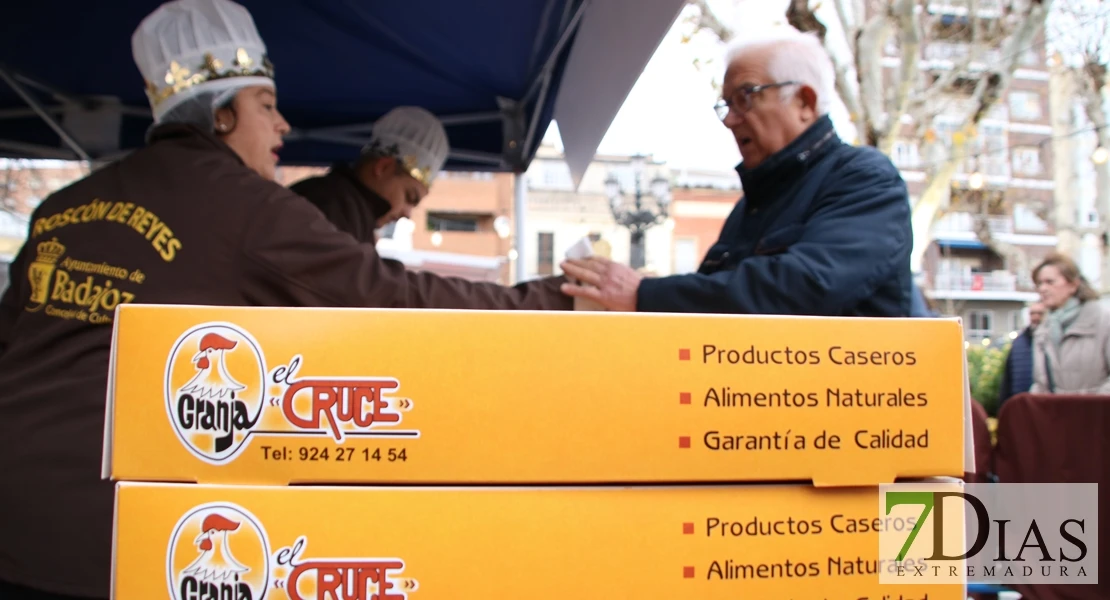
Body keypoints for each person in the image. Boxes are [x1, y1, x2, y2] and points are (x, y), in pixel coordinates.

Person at [0, 1, 568, 598]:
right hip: (107, 534)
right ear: (221, 117)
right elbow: (394, 298)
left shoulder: (63, 208)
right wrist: (554, 298)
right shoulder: (247, 208)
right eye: (266, 107)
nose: (283, 128)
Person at [560, 29, 913, 317]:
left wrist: (645, 294)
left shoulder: (864, 178)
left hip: (843, 399)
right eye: (726, 105)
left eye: (746, 97)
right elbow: (715, 302)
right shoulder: (751, 205)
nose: (730, 120)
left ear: (804, 101)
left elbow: (805, 287)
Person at [290, 105, 446, 242]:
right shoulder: (333, 208)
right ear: (383, 167)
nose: (408, 214)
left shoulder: (351, 212)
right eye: (409, 197)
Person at [1029, 253, 1110, 395]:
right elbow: (1041, 385)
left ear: (1073, 285)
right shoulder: (1043, 330)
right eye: (1039, 283)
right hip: (1057, 414)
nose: (1042, 288)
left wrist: (1092, 406)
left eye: (1050, 282)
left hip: (1097, 413)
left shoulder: (1103, 320)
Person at [998, 301, 1045, 406]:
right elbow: (1008, 378)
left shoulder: (1052, 341)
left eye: (1040, 313)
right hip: (1021, 406)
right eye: (1032, 313)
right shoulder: (1019, 342)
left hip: (1045, 405)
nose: (1035, 317)